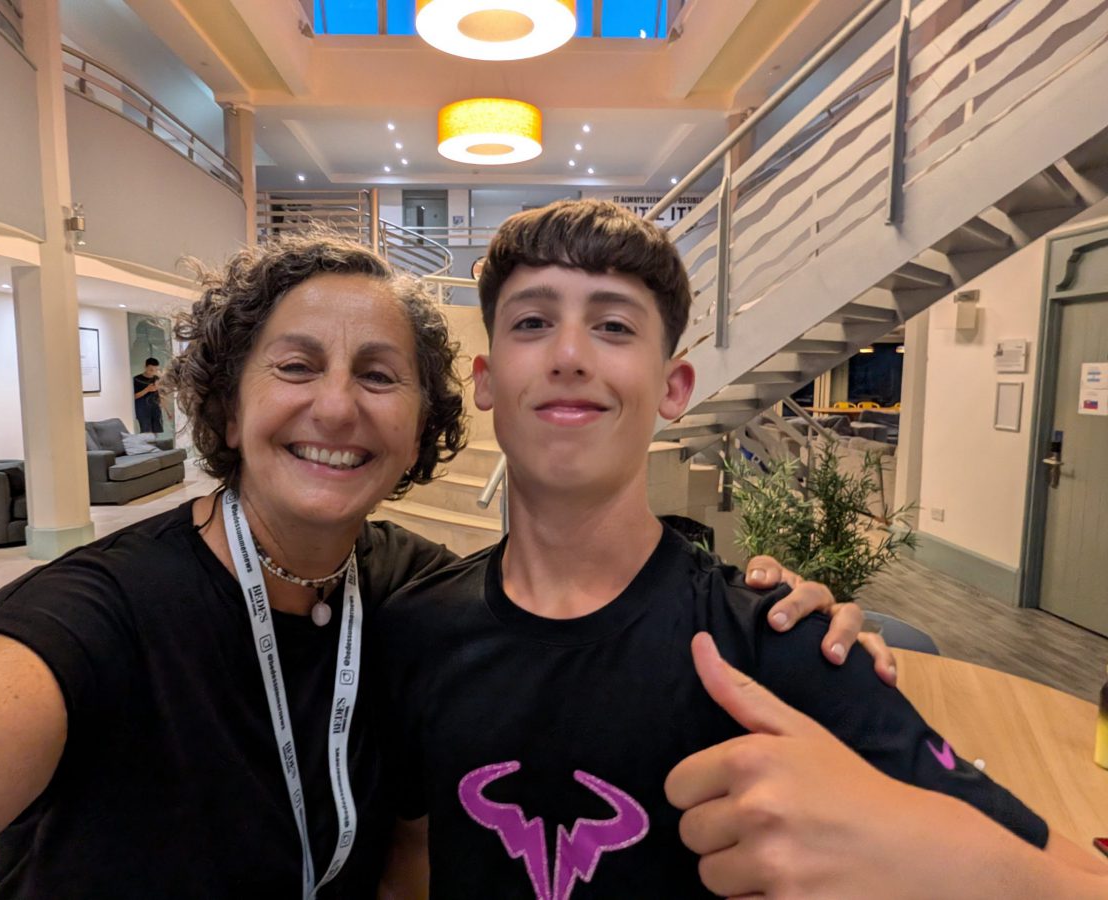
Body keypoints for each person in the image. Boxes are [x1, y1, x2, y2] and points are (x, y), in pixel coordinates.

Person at [0, 233, 875, 897]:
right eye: (295, 367)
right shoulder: (94, 617)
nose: (336, 407)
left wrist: (776, 603)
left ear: (419, 426)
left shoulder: (414, 593)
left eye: (377, 376)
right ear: (229, 406)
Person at [374, 200, 1107, 898]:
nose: (569, 354)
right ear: (486, 379)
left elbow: (1073, 876)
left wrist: (927, 851)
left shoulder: (782, 646)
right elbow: (411, 856)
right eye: (533, 323)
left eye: (614, 327)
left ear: (674, 387)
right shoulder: (416, 629)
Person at [133, 356, 164, 434]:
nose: (153, 372)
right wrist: (147, 390)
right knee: (146, 432)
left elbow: (161, 396)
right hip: (142, 410)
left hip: (156, 409)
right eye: (151, 370)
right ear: (145, 367)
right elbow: (133, 397)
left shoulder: (157, 379)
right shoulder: (136, 379)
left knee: (156, 432)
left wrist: (167, 412)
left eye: (156, 370)